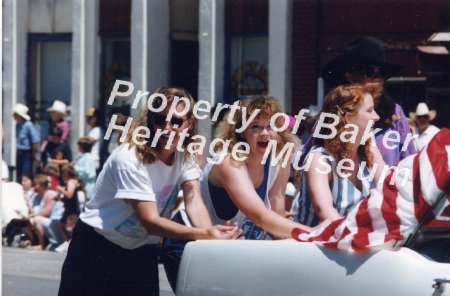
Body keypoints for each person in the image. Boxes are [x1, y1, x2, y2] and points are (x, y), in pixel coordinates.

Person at [58, 87, 241, 296]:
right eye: (160, 120)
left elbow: (193, 199)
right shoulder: (129, 158)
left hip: (140, 250)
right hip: (97, 247)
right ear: (150, 121)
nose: (167, 128)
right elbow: (150, 221)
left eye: (176, 122)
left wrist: (212, 238)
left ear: (189, 123)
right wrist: (204, 234)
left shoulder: (186, 154)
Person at [161, 96, 314, 292]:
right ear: (241, 132)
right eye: (256, 127)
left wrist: (289, 243)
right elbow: (258, 215)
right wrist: (312, 233)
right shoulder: (229, 162)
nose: (265, 133)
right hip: (190, 246)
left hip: (231, 249)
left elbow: (276, 210)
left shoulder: (279, 159)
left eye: (270, 126)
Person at [295, 82, 387, 227]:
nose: (377, 117)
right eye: (369, 111)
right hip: (314, 246)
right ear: (348, 118)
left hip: (349, 243)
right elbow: (325, 212)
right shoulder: (319, 159)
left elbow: (390, 191)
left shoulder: (368, 151)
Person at [321, 36, 416, 166]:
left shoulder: (395, 112)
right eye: (369, 71)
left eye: (381, 71)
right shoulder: (335, 109)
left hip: (384, 183)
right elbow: (313, 154)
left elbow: (410, 161)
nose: (376, 77)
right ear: (349, 75)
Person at [54, 165, 83, 253]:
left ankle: (71, 244)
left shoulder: (71, 182)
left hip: (72, 210)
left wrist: (60, 189)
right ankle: (68, 242)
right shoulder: (71, 183)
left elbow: (69, 195)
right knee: (61, 225)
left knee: (72, 228)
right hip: (69, 209)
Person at [13, 103, 40, 181]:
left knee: (26, 173)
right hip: (20, 151)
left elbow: (35, 141)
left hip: (27, 152)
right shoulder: (17, 125)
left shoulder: (28, 125)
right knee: (19, 172)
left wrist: (33, 153)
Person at [73, 136, 96, 203]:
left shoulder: (88, 158)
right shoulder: (82, 157)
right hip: (82, 186)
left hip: (88, 187)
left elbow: (87, 171)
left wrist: (74, 168)